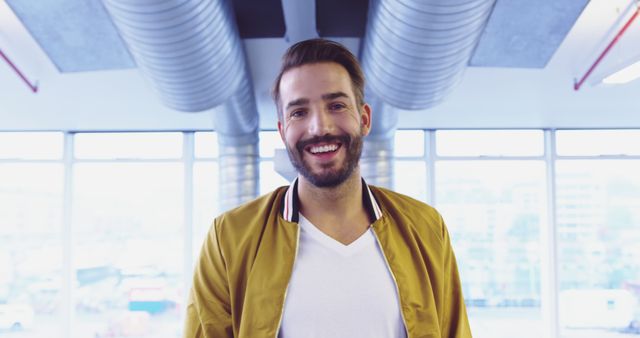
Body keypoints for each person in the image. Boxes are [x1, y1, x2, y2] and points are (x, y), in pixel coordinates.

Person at [183, 38, 471, 338]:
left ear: (364, 119)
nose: (319, 127)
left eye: (336, 105)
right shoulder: (229, 238)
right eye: (298, 112)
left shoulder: (425, 227)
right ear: (283, 131)